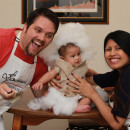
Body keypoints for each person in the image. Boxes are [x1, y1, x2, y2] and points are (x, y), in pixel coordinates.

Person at [0, 7, 60, 130]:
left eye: (49, 35)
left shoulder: (41, 62)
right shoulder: (2, 39)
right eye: (38, 30)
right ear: (26, 27)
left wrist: (61, 86)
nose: (42, 38)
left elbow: (43, 98)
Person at [67, 30, 130, 129]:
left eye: (118, 48)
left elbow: (116, 124)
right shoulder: (119, 73)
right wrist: (61, 79)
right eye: (108, 49)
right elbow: (89, 80)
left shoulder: (127, 75)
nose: (112, 53)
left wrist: (93, 94)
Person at [29, 43, 93, 115]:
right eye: (73, 56)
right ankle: (54, 105)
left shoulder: (82, 67)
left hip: (77, 95)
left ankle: (77, 107)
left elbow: (90, 74)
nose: (77, 58)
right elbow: (50, 74)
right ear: (63, 58)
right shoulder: (60, 66)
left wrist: (96, 76)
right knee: (45, 93)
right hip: (61, 93)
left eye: (78, 54)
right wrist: (40, 81)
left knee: (88, 99)